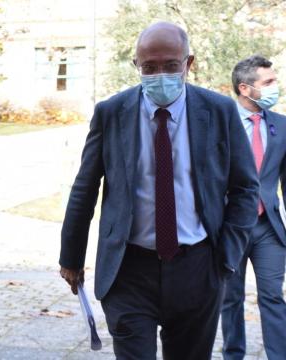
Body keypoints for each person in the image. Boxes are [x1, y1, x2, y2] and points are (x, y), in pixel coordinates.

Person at [59, 22, 259, 359]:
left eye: (170, 65)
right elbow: (85, 186)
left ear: (188, 63)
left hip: (197, 266)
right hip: (129, 269)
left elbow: (244, 188)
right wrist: (71, 256)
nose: (159, 74)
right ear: (136, 65)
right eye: (149, 67)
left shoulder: (219, 111)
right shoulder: (111, 113)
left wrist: (227, 255)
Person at [220, 55, 286, 360]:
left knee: (273, 295)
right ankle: (233, 355)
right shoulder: (221, 122)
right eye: (269, 82)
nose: (277, 87)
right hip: (229, 226)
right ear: (245, 88)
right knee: (229, 298)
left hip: (268, 228)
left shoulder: (282, 126)